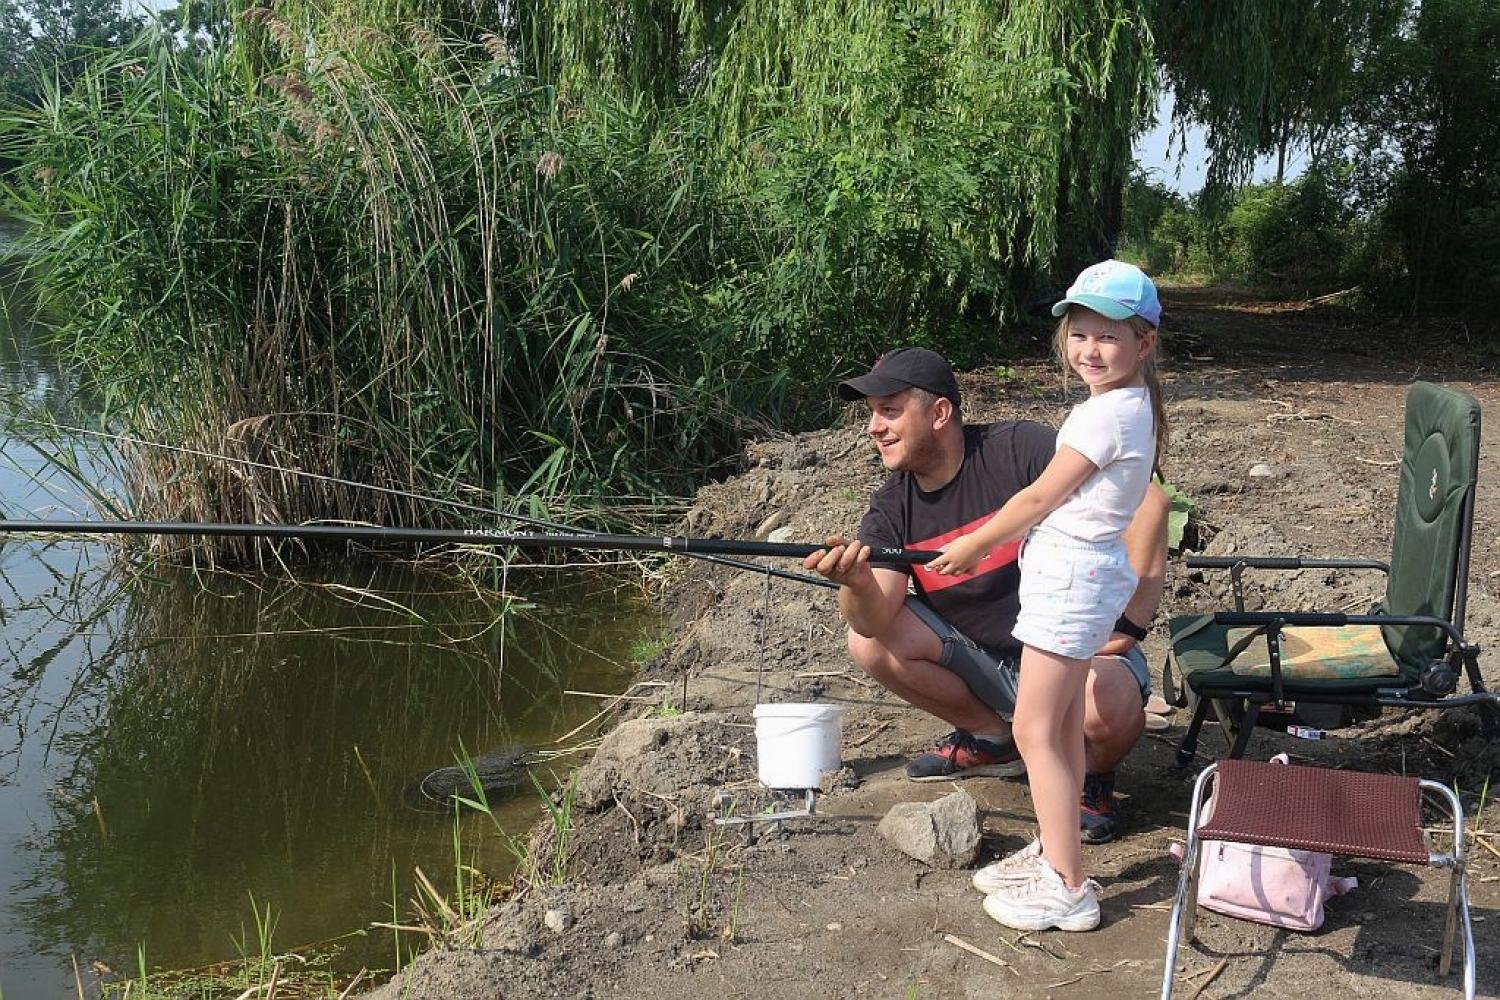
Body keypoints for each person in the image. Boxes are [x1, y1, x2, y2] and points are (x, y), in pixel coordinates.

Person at [804, 261, 1167, 932]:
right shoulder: (893, 506)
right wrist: (854, 581)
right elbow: (876, 619)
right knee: (1045, 726)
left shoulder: (1035, 441)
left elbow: (1106, 502)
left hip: (1070, 596)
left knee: (1045, 729)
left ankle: (1068, 883)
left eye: (890, 410)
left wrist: (1130, 625)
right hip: (1038, 618)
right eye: (1079, 334)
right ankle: (1049, 841)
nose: (874, 427)